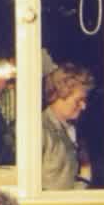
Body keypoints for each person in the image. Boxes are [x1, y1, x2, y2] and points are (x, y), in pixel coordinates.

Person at [40, 62, 97, 190]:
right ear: (59, 94)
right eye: (78, 100)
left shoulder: (73, 129)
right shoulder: (40, 130)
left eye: (85, 100)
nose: (83, 106)